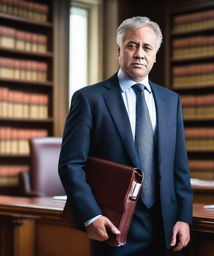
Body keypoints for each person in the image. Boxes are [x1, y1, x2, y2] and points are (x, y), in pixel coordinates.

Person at [58, 16, 193, 256]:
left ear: (155, 56)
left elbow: (179, 167)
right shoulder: (89, 99)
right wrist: (91, 216)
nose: (139, 53)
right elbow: (71, 164)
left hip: (165, 227)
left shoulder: (171, 101)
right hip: (113, 224)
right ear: (119, 50)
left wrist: (184, 217)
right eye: (132, 45)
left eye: (147, 47)